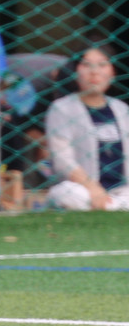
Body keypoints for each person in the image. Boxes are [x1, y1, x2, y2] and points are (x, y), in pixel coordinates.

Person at [45, 44, 129, 210]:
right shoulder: (61, 109)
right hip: (82, 190)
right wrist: (93, 188)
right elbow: (63, 161)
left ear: (112, 73)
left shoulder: (122, 110)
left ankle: (111, 205)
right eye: (86, 65)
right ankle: (111, 206)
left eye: (102, 64)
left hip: (121, 190)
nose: (94, 72)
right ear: (76, 72)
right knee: (67, 194)